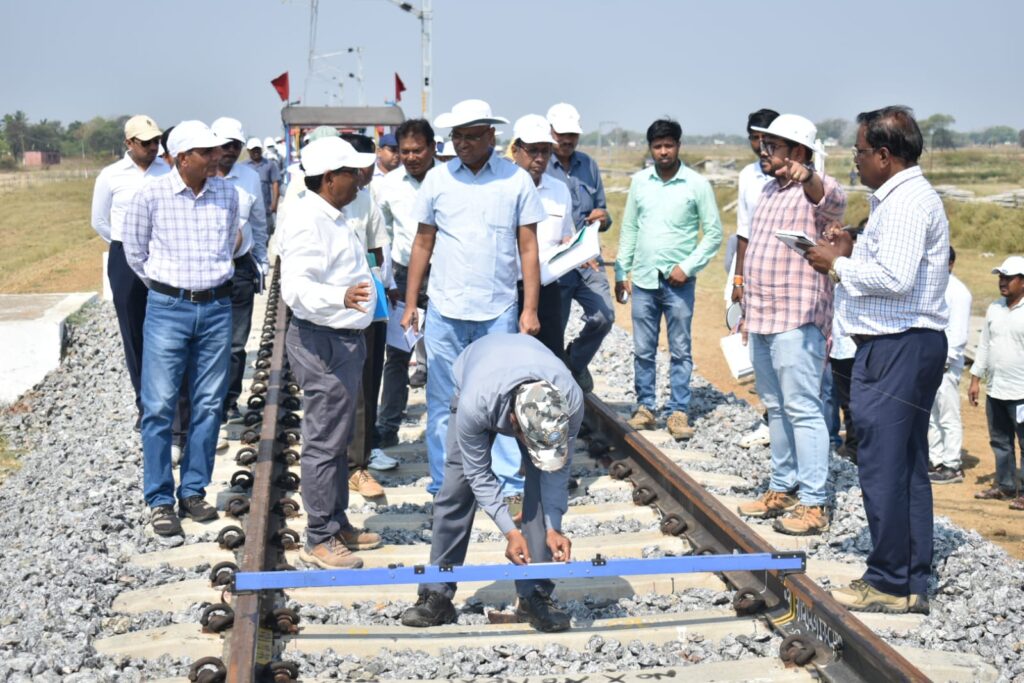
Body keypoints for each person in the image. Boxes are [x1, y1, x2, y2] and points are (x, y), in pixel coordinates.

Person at [806, 106, 948, 614]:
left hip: (897, 346)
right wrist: (852, 248)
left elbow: (896, 279)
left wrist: (839, 265)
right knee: (904, 465)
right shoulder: (901, 197)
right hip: (904, 344)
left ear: (885, 155)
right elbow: (892, 265)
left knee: (884, 465)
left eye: (861, 151)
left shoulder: (906, 201)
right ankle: (908, 579)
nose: (856, 160)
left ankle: (889, 580)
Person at [400, 99, 546, 497]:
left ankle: (506, 484)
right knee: (443, 400)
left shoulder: (515, 181)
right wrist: (412, 304)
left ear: (491, 136)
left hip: (498, 310)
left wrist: (530, 309)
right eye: (457, 136)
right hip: (445, 309)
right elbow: (422, 243)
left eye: (471, 136)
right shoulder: (438, 180)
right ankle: (445, 483)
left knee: (502, 398)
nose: (462, 144)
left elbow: (528, 248)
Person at [400, 333, 582, 632]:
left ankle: (534, 594)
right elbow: (479, 474)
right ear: (513, 424)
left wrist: (554, 527)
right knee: (456, 487)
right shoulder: (476, 404)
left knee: (541, 484)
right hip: (478, 371)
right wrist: (510, 531)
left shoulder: (570, 402)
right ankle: (437, 593)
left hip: (527, 362)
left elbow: (556, 473)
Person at [121, 121, 238, 537]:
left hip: (217, 308)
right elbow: (135, 251)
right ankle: (159, 499)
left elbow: (229, 242)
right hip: (168, 309)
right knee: (158, 406)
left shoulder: (226, 193)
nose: (216, 157)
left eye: (216, 150)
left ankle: (193, 491)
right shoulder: (150, 195)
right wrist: (168, 288)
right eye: (206, 152)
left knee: (208, 404)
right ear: (183, 158)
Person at [735, 114, 846, 536]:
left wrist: (809, 176)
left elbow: (832, 199)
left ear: (798, 151)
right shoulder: (767, 190)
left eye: (773, 146)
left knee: (802, 407)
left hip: (798, 319)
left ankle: (814, 503)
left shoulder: (815, 190)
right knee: (776, 406)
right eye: (763, 145)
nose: (764, 152)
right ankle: (782, 488)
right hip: (763, 316)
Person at [278, 136, 384, 568]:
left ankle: (336, 523)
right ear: (328, 179)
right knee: (324, 441)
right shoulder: (308, 221)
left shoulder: (333, 215)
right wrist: (339, 297)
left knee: (337, 439)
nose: (359, 179)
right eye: (350, 173)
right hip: (322, 340)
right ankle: (320, 537)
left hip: (342, 339)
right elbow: (296, 289)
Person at [614, 118, 722, 440]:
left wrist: (687, 267)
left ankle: (678, 410)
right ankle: (645, 406)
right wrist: (621, 271)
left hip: (679, 284)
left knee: (680, 349)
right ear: (650, 148)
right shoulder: (639, 183)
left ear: (678, 146)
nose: (663, 152)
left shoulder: (696, 185)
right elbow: (630, 228)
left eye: (669, 145)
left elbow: (714, 234)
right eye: (658, 146)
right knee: (643, 349)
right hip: (644, 280)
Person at [90, 115, 171, 430]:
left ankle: (172, 402)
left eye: (156, 141)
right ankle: (145, 404)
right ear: (129, 143)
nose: (153, 147)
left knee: (167, 329)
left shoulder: (168, 172)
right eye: (145, 142)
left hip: (163, 255)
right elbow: (99, 221)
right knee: (133, 331)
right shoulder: (111, 176)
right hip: (124, 257)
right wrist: (126, 243)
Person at [376, 119, 438, 449]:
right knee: (398, 355)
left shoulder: (448, 180)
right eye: (405, 151)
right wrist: (387, 280)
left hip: (444, 276)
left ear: (432, 148)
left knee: (445, 355)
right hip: (403, 277)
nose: (411, 157)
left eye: (418, 150)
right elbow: (382, 235)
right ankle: (387, 428)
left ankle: (450, 429)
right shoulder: (388, 186)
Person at [545, 103, 614, 392]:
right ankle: (552, 388)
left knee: (604, 317)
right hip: (556, 264)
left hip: (588, 262)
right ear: (551, 132)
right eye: (562, 134)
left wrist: (603, 218)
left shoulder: (589, 166)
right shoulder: (539, 166)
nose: (567, 140)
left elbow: (604, 213)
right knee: (553, 331)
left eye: (572, 135)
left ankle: (574, 361)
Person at [338, 132, 390, 498]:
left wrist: (365, 269)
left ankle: (359, 463)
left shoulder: (366, 200)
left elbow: (378, 252)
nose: (367, 173)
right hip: (325, 308)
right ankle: (336, 460)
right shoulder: (306, 201)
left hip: (366, 300)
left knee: (367, 383)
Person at [210, 117, 270, 424]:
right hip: (205, 270)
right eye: (225, 145)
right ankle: (208, 400)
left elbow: (258, 222)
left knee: (235, 342)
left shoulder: (249, 178)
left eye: (236, 145)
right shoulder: (202, 175)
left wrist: (262, 261)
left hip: (240, 268)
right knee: (209, 341)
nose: (231, 150)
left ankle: (229, 401)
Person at [510, 115, 574, 356]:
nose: (539, 158)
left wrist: (576, 247)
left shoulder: (559, 191)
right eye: (533, 150)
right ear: (515, 150)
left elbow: (565, 235)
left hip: (547, 288)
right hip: (507, 289)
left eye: (545, 151)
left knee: (549, 357)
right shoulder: (501, 188)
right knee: (509, 358)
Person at [969, 256, 1024, 506]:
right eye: (1001, 277)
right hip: (996, 389)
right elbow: (984, 346)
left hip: (1021, 392)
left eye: (1008, 278)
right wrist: (975, 379)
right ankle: (1006, 486)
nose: (1002, 282)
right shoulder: (994, 308)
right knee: (1000, 441)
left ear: (1022, 281)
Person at [928, 246, 972, 484]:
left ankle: (952, 465)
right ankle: (936, 460)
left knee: (948, 416)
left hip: (946, 365)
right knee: (931, 415)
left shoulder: (958, 292)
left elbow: (959, 333)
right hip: (929, 362)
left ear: (951, 264)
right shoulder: (932, 286)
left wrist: (944, 362)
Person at [246, 137, 282, 236]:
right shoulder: (243, 166)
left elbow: (275, 183)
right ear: (248, 151)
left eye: (258, 149)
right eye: (253, 150)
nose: (256, 152)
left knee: (266, 233)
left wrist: (274, 203)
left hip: (266, 208)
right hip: (249, 208)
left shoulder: (270, 165)